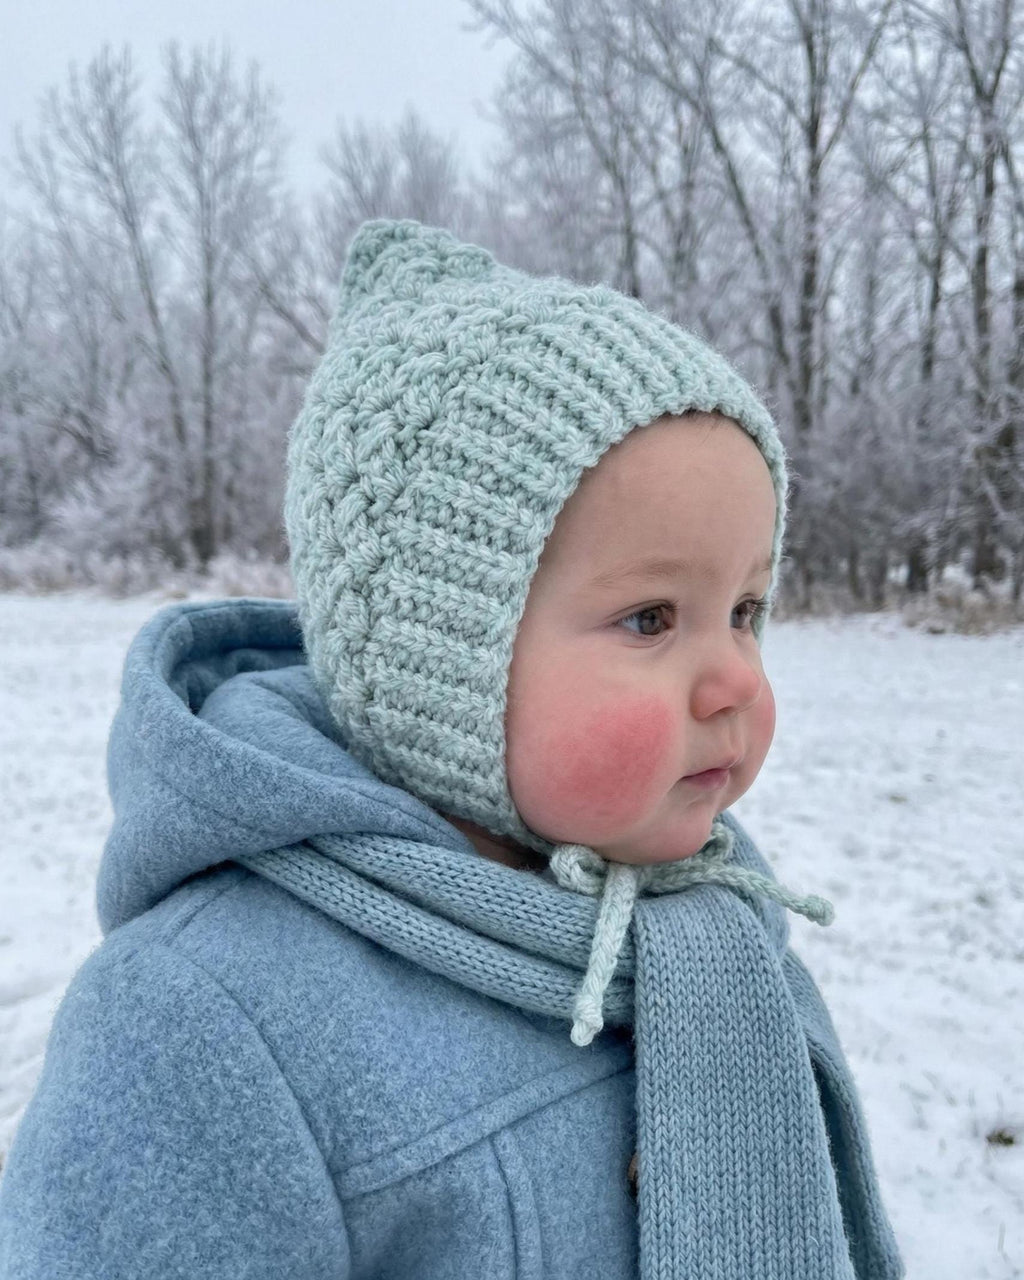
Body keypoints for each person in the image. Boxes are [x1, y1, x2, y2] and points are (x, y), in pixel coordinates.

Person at [0, 220, 904, 1279]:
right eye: (652, 617)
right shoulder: (202, 1022)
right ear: (445, 661)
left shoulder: (708, 928)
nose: (738, 680)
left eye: (744, 609)